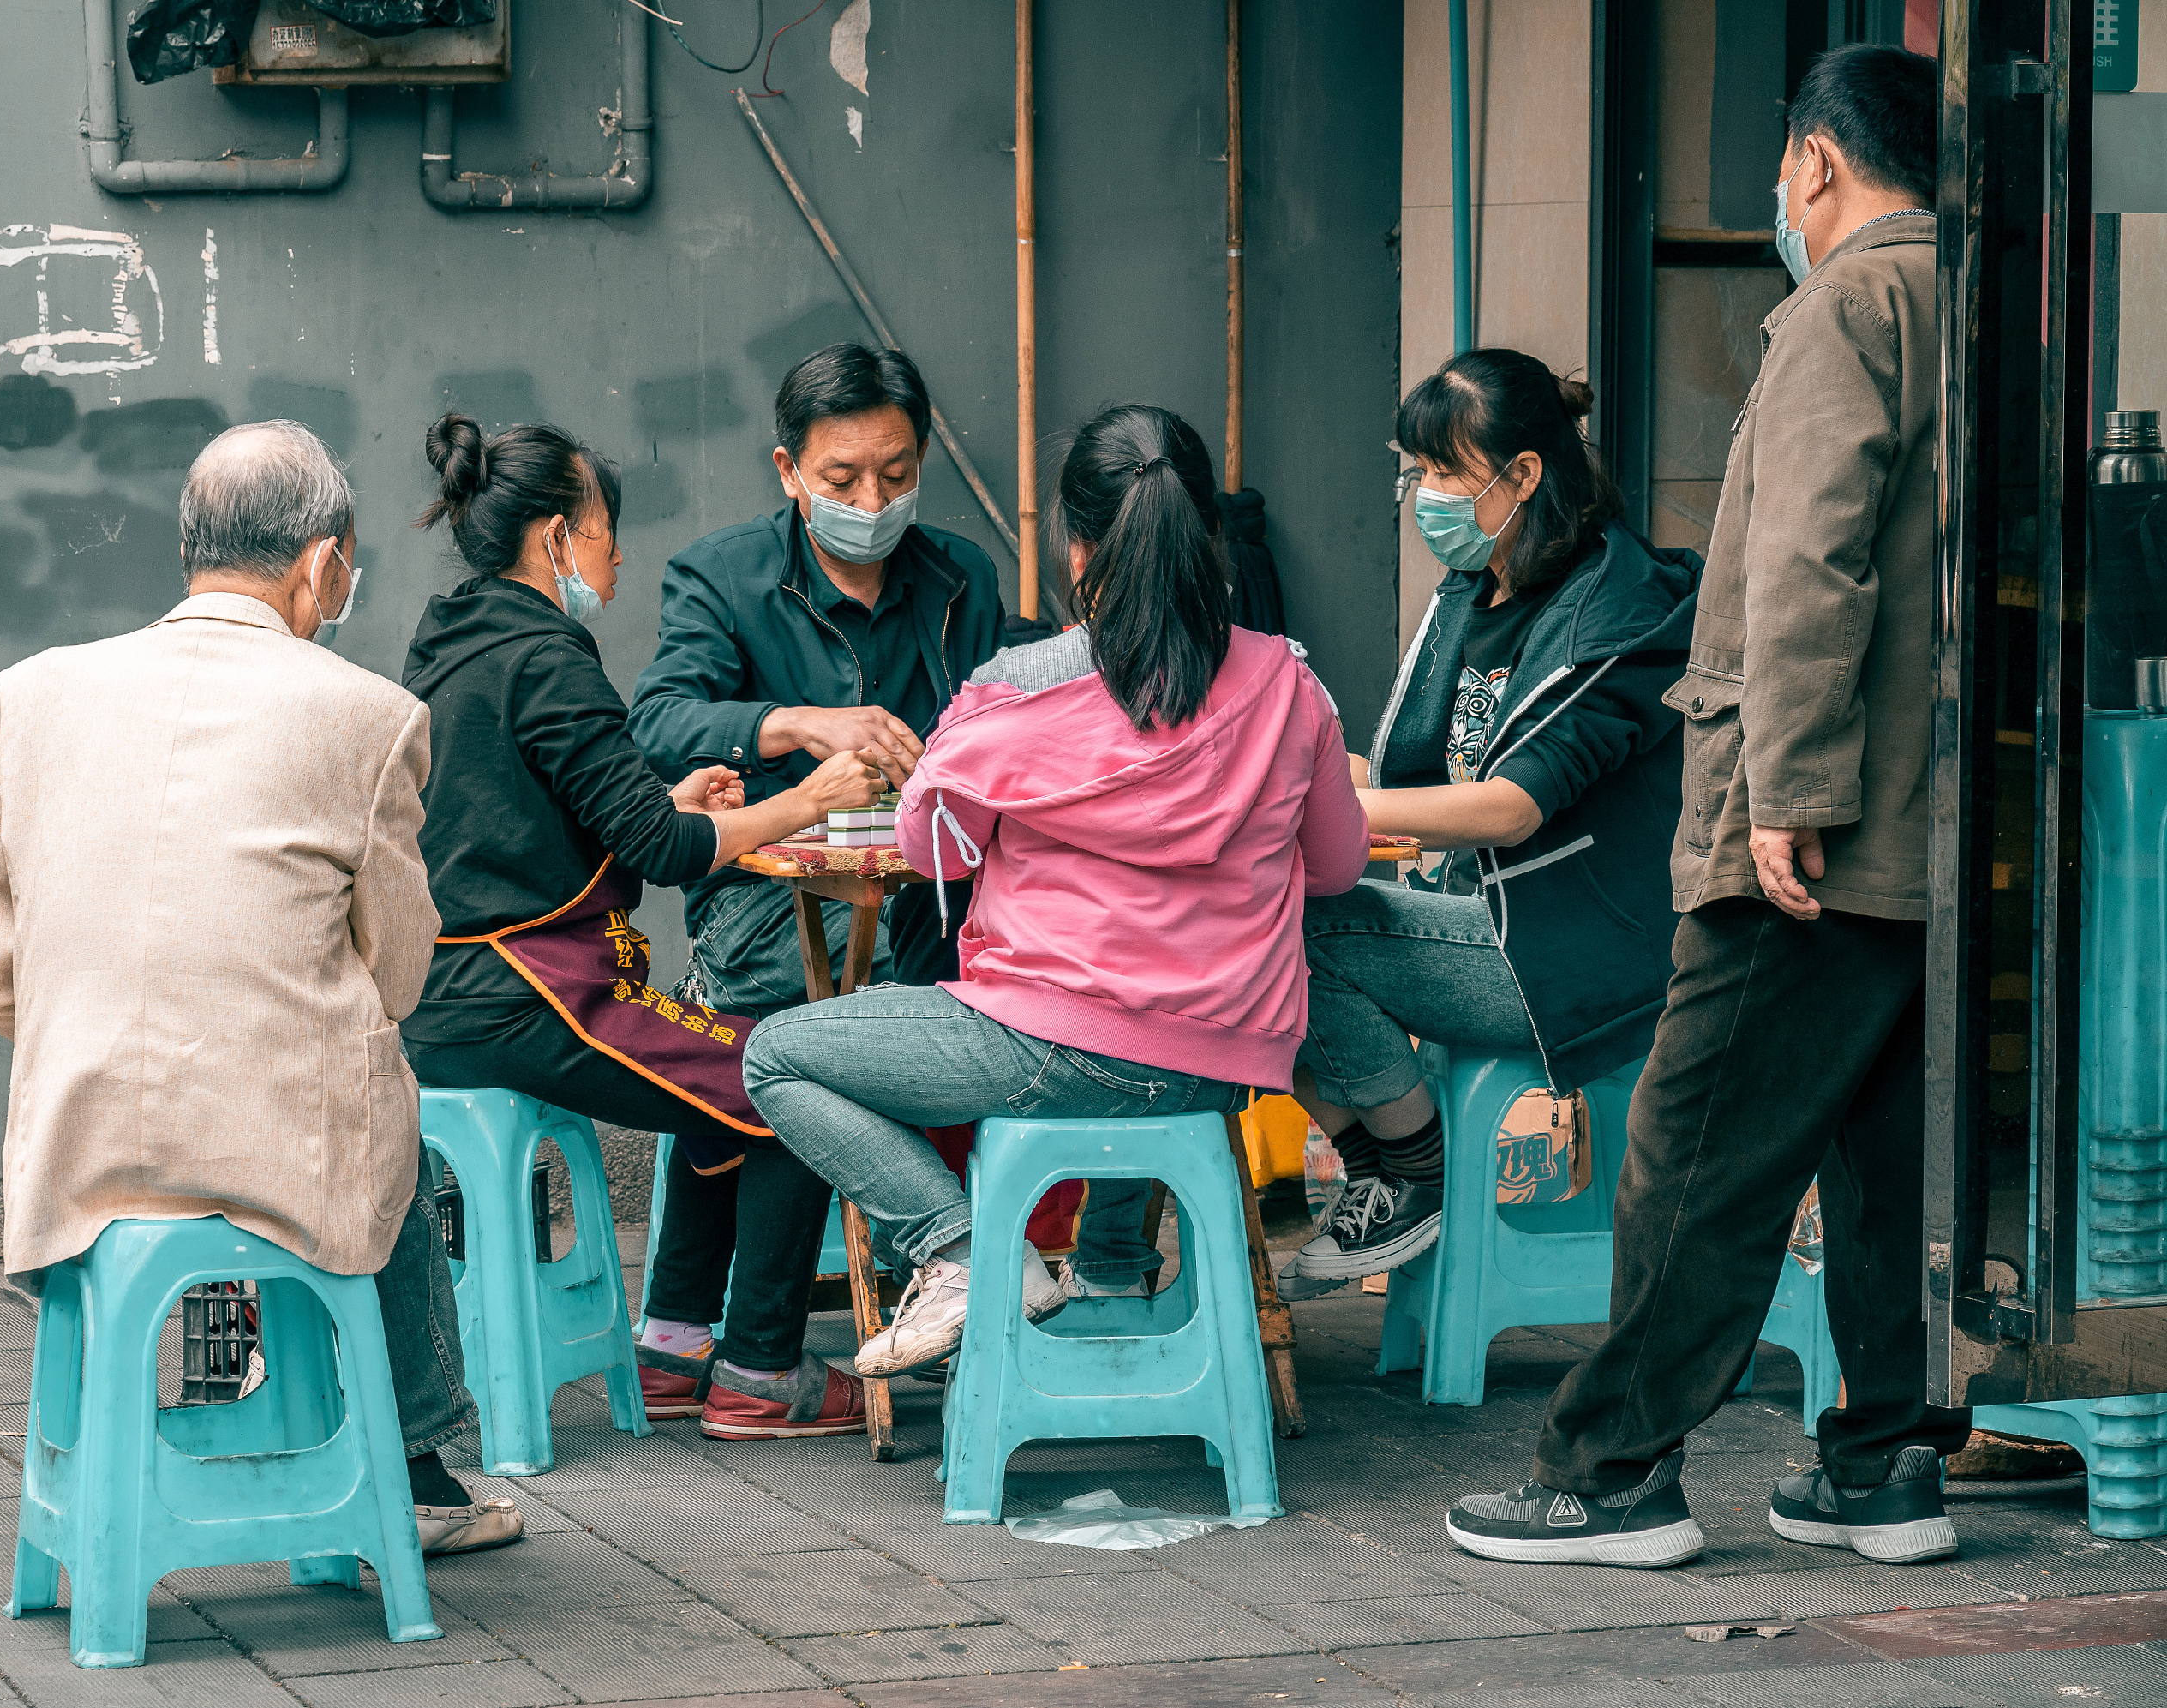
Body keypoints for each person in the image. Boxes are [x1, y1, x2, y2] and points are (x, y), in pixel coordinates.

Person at [1447, 43, 1968, 1569]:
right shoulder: (1991, 305)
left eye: (1783, 175)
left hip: (1811, 826)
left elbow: (1815, 557)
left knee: (1694, 1146)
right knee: (1879, 1157)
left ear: (1815, 161)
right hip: (1932, 827)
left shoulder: (1845, 308)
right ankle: (1882, 1466)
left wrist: (1788, 791)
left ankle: (1612, 1475)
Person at [0, 421, 521, 1556]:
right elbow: (399, 972)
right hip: (283, 1150)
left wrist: (83, 1022)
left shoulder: (31, 692)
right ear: (323, 563)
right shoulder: (369, 715)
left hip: (77, 1141)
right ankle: (415, 1461)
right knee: (385, 1092)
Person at [740, 404, 1370, 1373]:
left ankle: (960, 1252)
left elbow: (935, 850)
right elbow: (1334, 867)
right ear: (1206, 533)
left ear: (1078, 550)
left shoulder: (1018, 688)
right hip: (1226, 1060)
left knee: (778, 1053)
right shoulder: (1292, 684)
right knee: (1131, 1050)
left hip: (1052, 1044)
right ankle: (1111, 1272)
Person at [398, 411, 887, 1440]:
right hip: (525, 992)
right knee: (793, 1077)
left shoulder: (452, 643)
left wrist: (668, 798)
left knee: (723, 1084)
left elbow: (533, 823)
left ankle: (671, 1349)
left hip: (445, 992)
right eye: (605, 529)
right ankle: (760, 1371)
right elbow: (660, 855)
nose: (618, 554)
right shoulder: (549, 657)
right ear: (556, 538)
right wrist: (806, 799)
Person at [621, 343, 1017, 1404]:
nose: (871, 500)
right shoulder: (723, 574)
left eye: (895, 473)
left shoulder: (961, 577)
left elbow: (1003, 716)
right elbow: (656, 725)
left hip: (934, 898)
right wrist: (790, 723)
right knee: (801, 1018)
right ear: (788, 470)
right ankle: (755, 1356)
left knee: (926, 1000)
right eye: (841, 479)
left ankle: (680, 1337)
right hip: (765, 897)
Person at [1265, 350, 1701, 1297]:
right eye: (1415, 471)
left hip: (1578, 951)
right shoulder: (1481, 586)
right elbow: (1415, 780)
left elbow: (1511, 805)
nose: (1424, 497)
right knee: (1255, 920)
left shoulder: (1610, 609)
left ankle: (1410, 1170)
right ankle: (1391, 1166)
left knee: (1293, 930)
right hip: (1487, 920)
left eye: (1442, 474)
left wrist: (1333, 806)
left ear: (1524, 475)